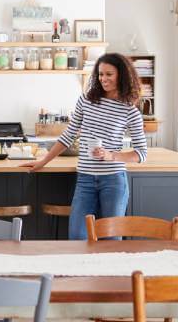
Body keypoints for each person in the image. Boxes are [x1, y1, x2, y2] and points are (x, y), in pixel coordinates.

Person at [21, 53, 148, 240]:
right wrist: (43, 161)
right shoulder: (86, 100)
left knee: (112, 240)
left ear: (122, 75)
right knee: (77, 238)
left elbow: (141, 153)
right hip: (85, 180)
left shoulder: (129, 110)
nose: (103, 79)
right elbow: (69, 135)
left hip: (113, 181)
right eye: (100, 74)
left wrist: (111, 156)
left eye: (109, 74)